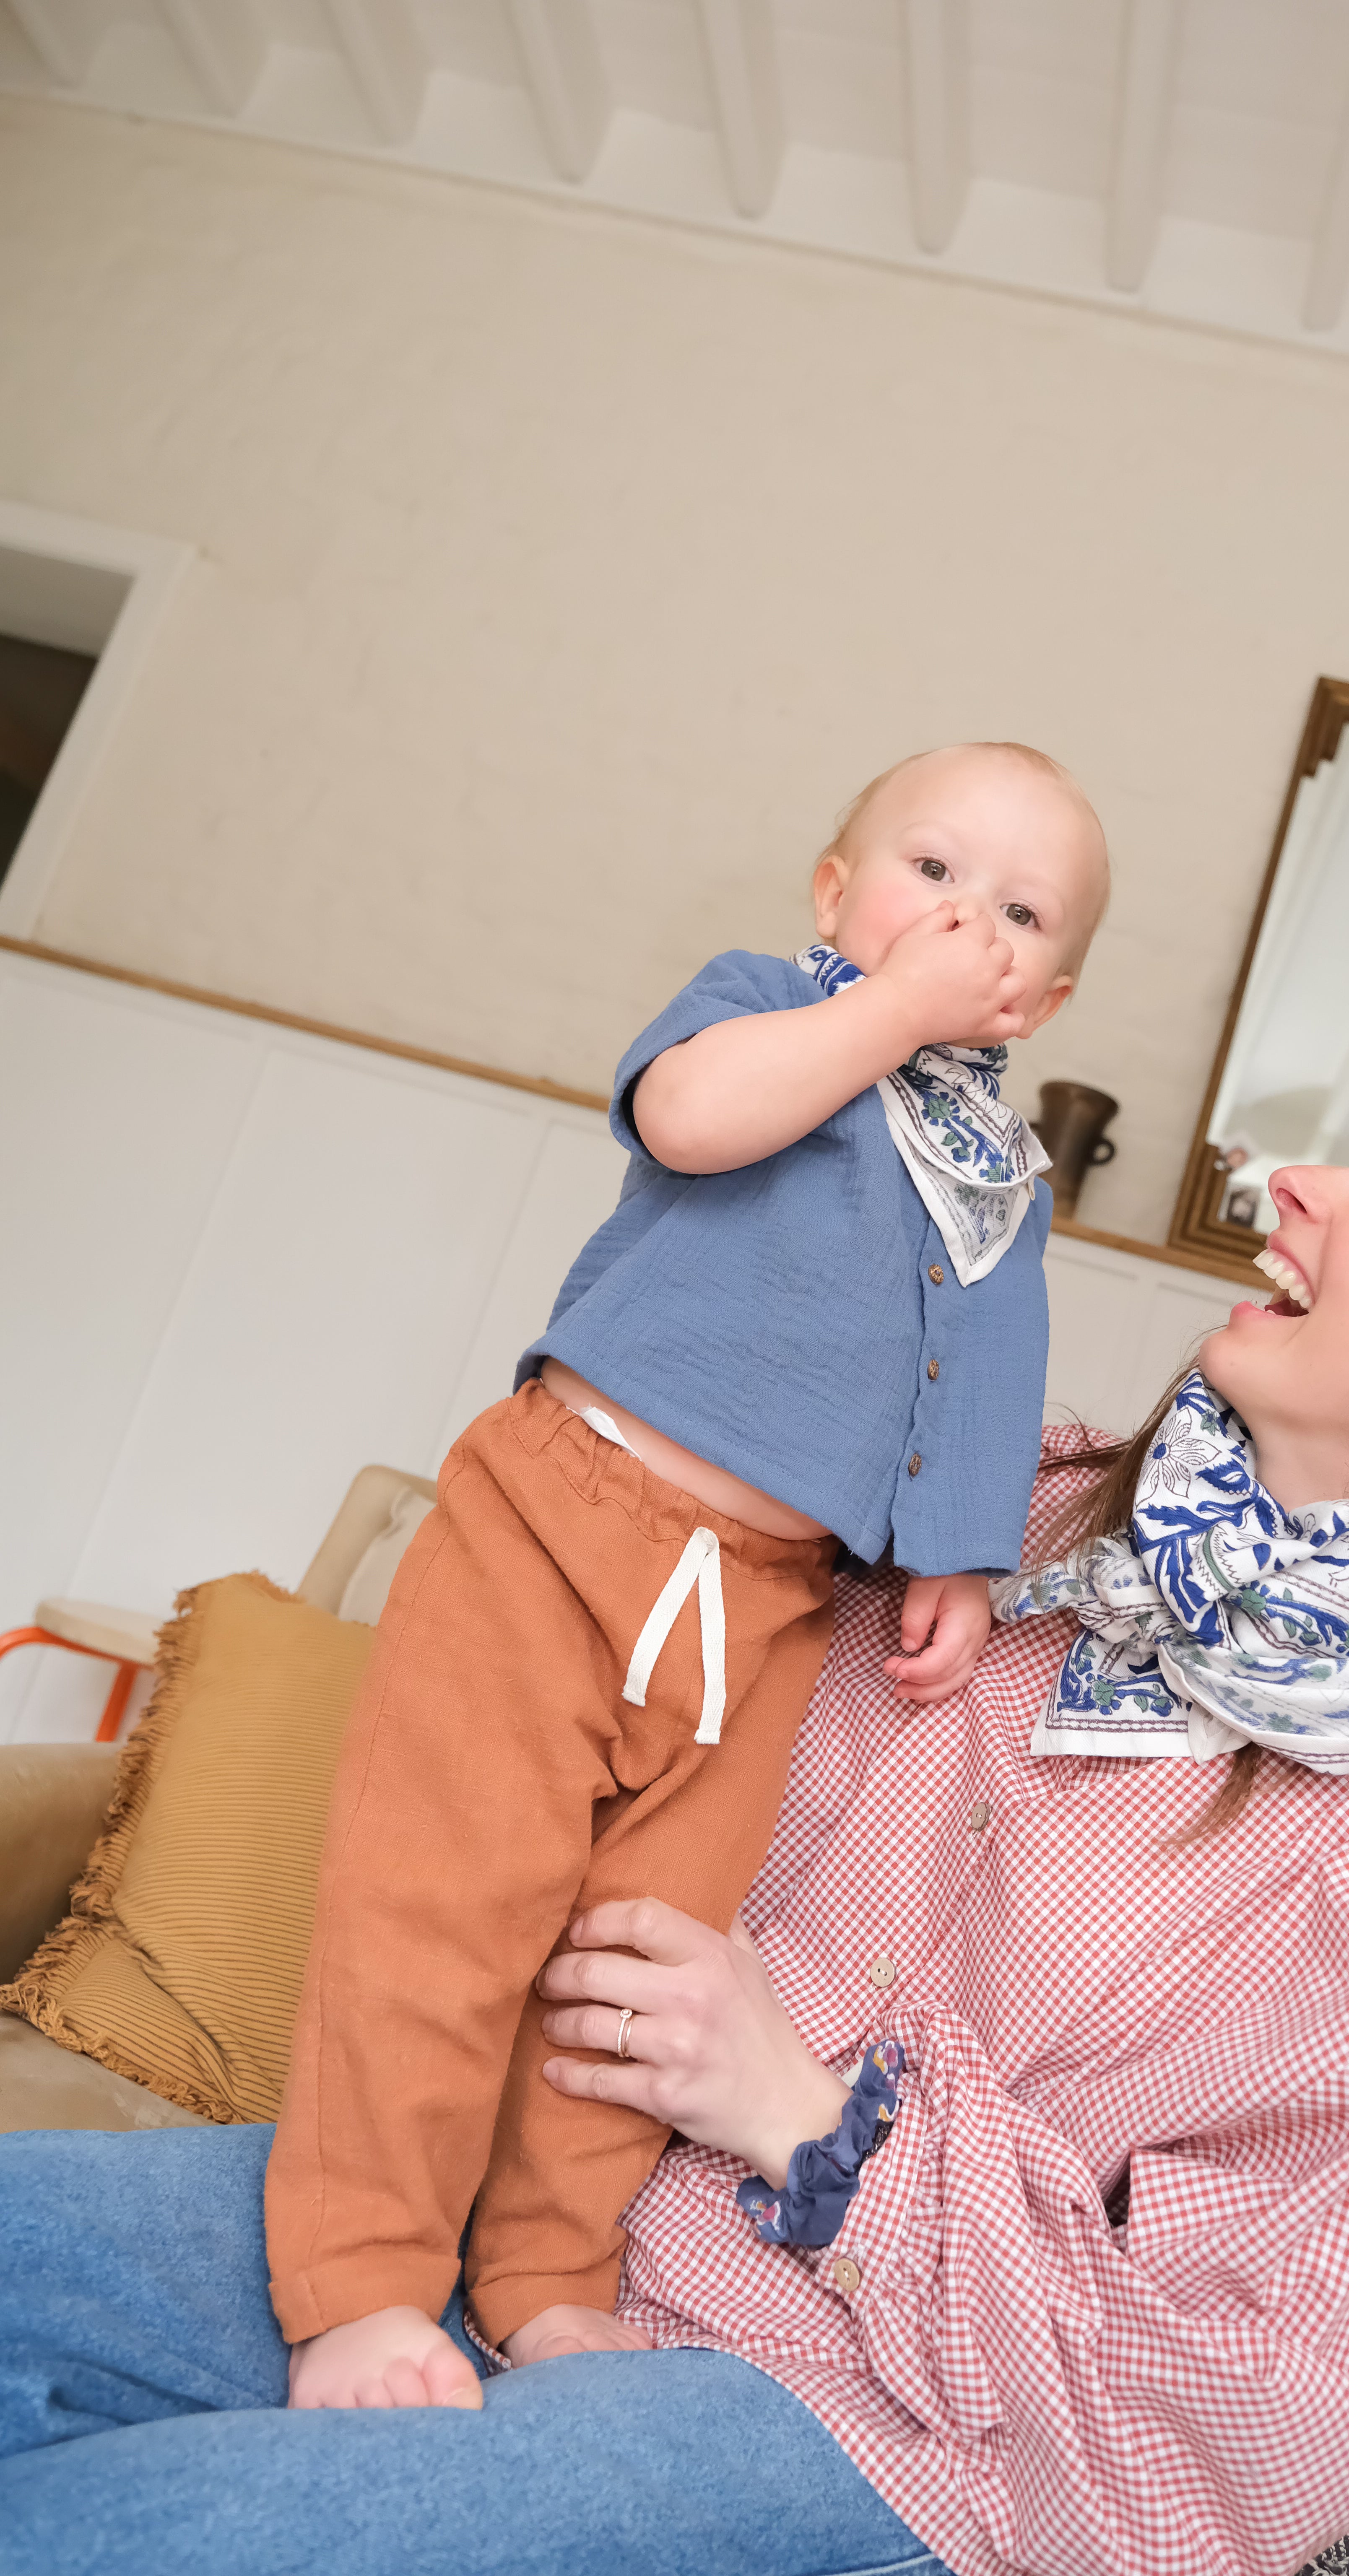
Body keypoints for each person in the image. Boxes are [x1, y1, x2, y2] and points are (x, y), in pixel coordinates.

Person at [3, 1083, 1349, 2576]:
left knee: (107, 2542)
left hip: (852, 2416)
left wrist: (815, 2122)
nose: (1297, 1186)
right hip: (539, 2201)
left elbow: (1256, 2440)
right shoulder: (1009, 1511)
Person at [265, 743, 1113, 2406]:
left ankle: (545, 2275)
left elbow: (982, 1363)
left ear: (1039, 1001)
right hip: (564, 1518)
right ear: (829, 896)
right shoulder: (765, 1008)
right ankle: (365, 2281)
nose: (961, 921)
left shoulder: (994, 1172)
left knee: (645, 1953)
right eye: (930, 873)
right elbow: (693, 1120)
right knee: (439, 1907)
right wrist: (882, 1011)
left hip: (771, 1598)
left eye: (1012, 914)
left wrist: (950, 1555)